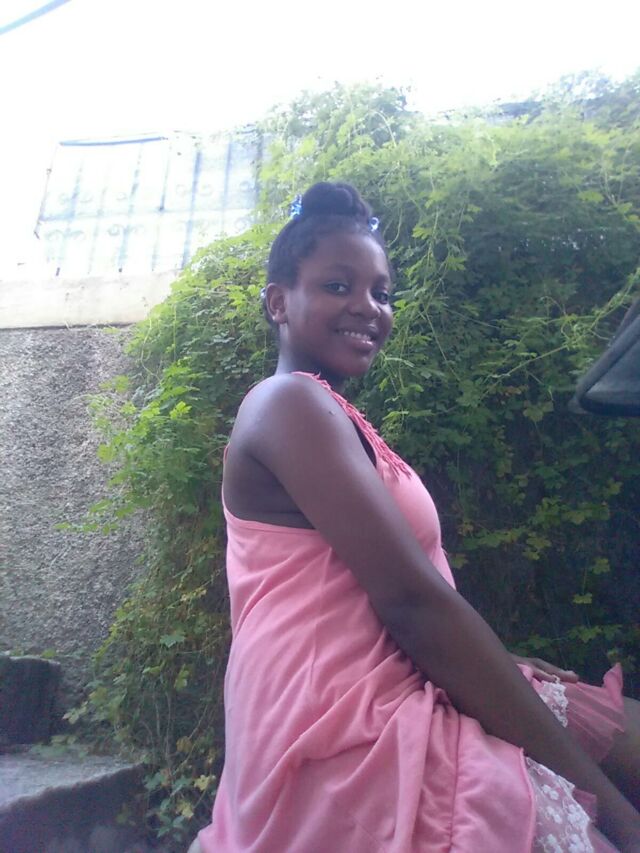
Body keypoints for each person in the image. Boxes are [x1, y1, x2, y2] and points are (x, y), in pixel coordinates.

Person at [193, 182, 640, 852]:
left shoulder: (332, 414)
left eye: (382, 292)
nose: (367, 307)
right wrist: (610, 808)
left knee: (614, 727)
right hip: (345, 722)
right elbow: (412, 603)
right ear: (278, 302)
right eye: (338, 285)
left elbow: (378, 597)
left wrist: (504, 662)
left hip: (397, 681)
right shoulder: (287, 403)